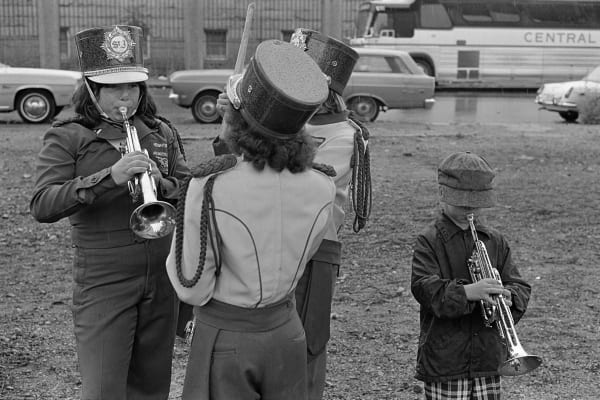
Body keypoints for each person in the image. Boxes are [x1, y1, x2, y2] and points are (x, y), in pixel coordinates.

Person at [165, 39, 336, 400]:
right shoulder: (322, 184)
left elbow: (193, 287)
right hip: (288, 333)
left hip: (227, 337)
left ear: (238, 120)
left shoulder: (209, 186)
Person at [29, 25, 189, 399]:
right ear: (91, 89)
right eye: (115, 88)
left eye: (133, 86)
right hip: (103, 275)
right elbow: (42, 204)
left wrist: (161, 184)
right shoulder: (69, 135)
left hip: (161, 272)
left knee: (151, 386)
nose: (126, 96)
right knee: (103, 388)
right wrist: (110, 177)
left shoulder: (159, 131)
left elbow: (188, 186)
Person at [289, 28, 372, 400]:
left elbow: (307, 185)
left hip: (316, 249)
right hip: (272, 242)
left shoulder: (345, 135)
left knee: (307, 342)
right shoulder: (285, 125)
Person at [410, 151, 533, 400]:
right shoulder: (429, 240)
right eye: (462, 202)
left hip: (488, 358)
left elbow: (519, 284)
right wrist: (468, 292)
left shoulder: (495, 240)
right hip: (446, 360)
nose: (470, 209)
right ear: (443, 195)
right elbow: (424, 288)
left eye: (475, 203)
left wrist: (509, 297)